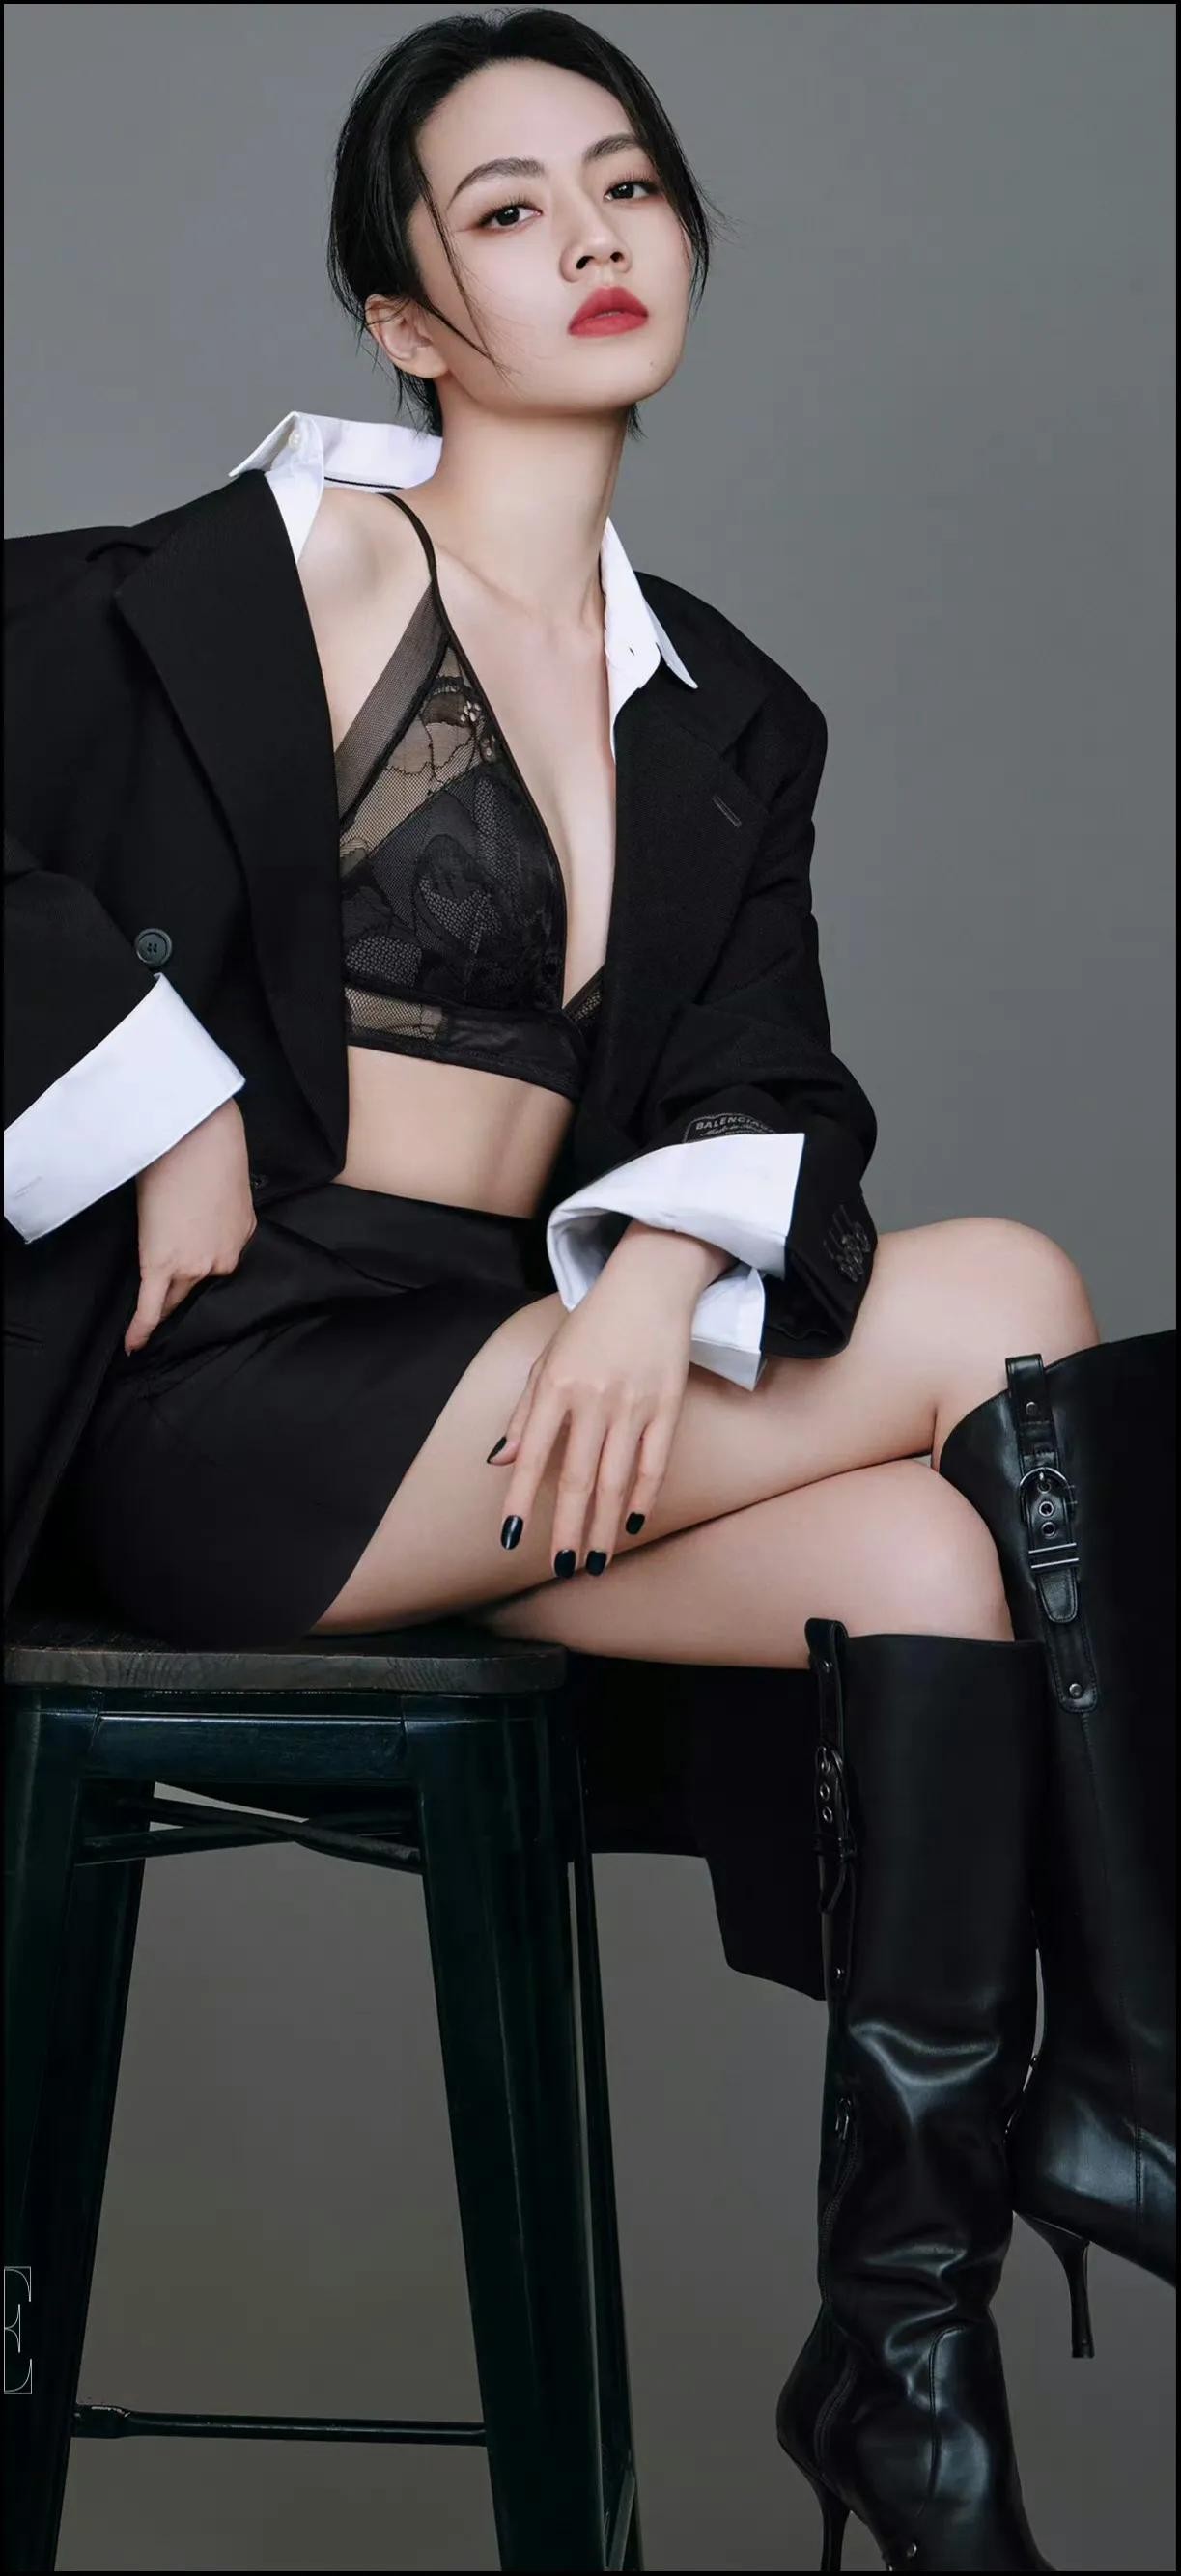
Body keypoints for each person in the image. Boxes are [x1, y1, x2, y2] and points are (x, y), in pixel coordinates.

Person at [3, 12, 1172, 2567]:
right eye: (510, 207)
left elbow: (774, 1076)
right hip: (239, 1390)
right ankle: (1134, 2069)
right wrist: (150, 1087)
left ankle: (903, 2362)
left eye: (625, 184)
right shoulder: (272, 579)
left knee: (932, 1554)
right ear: (407, 310)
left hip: (522, 1384)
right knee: (1007, 1290)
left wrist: (655, 1268)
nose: (593, 237)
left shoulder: (729, 707)